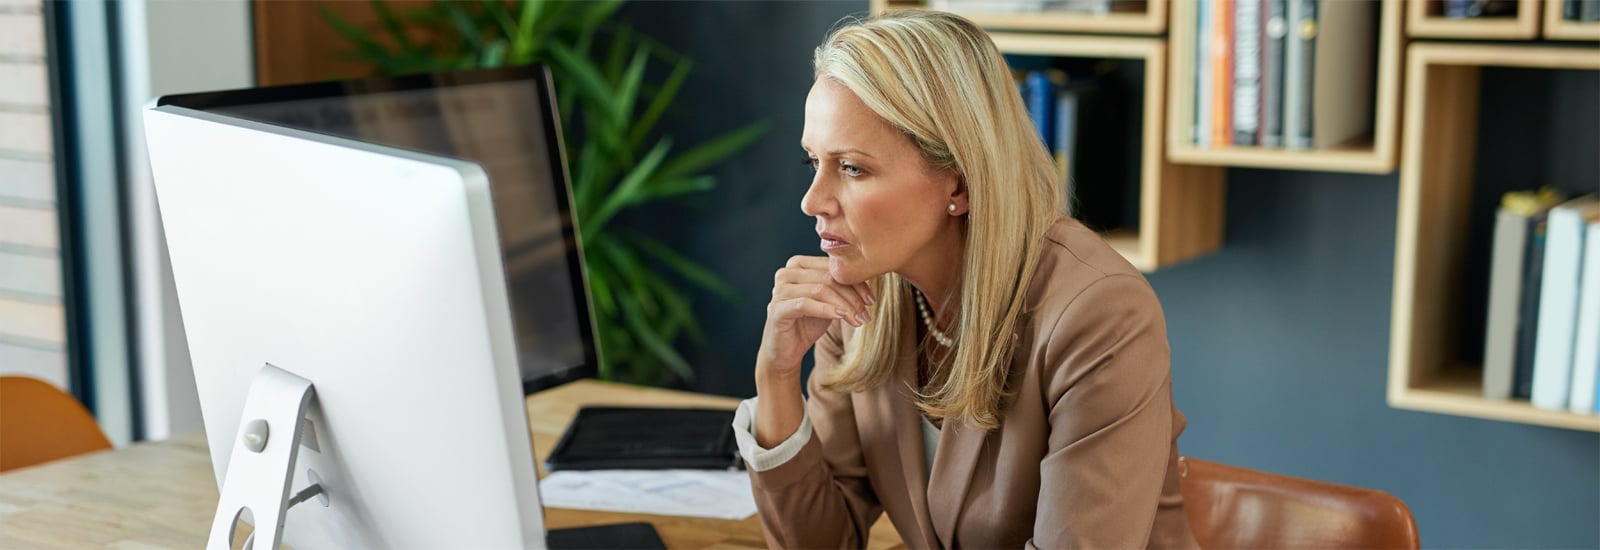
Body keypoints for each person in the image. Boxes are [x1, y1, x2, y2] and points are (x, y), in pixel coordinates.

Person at [728, 9, 1198, 549]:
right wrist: (778, 376)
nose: (812, 201)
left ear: (961, 183)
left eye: (852, 168)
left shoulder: (1099, 314)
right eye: (814, 162)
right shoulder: (860, 298)